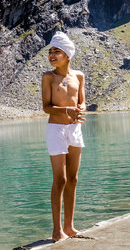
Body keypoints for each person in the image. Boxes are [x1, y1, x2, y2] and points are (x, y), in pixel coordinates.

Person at [41, 31, 86, 242]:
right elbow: (46, 107)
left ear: (67, 55)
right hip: (56, 129)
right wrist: (66, 111)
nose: (51, 55)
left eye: (56, 51)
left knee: (73, 179)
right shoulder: (48, 77)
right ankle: (56, 230)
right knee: (60, 179)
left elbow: (82, 101)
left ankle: (69, 226)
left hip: (75, 129)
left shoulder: (78, 76)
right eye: (50, 51)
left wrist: (81, 109)